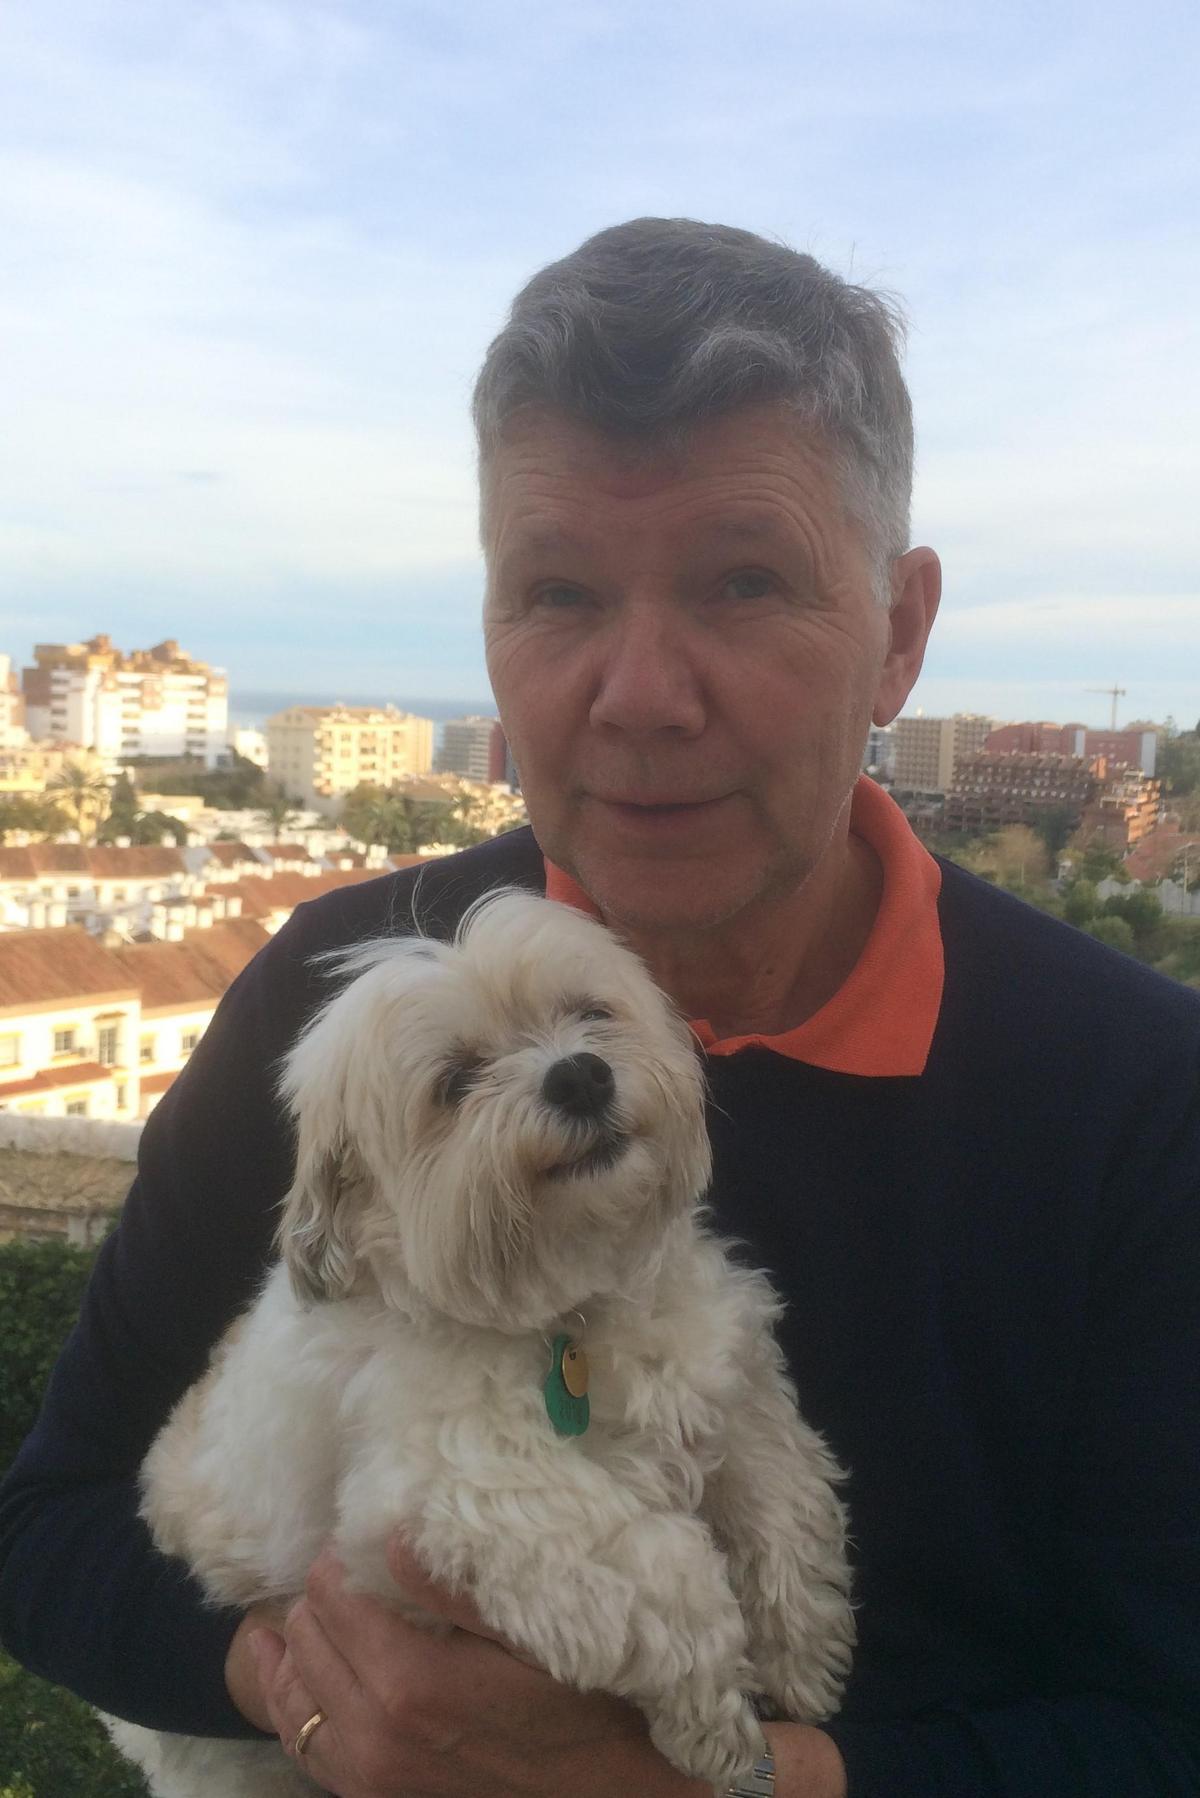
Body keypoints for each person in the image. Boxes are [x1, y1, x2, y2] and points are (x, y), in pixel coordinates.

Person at [2, 218, 1199, 1798]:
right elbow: (49, 1530)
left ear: (899, 635)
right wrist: (305, 1688)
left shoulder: (1139, 1099)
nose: (638, 694)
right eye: (559, 591)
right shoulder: (334, 1006)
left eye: (744, 582)